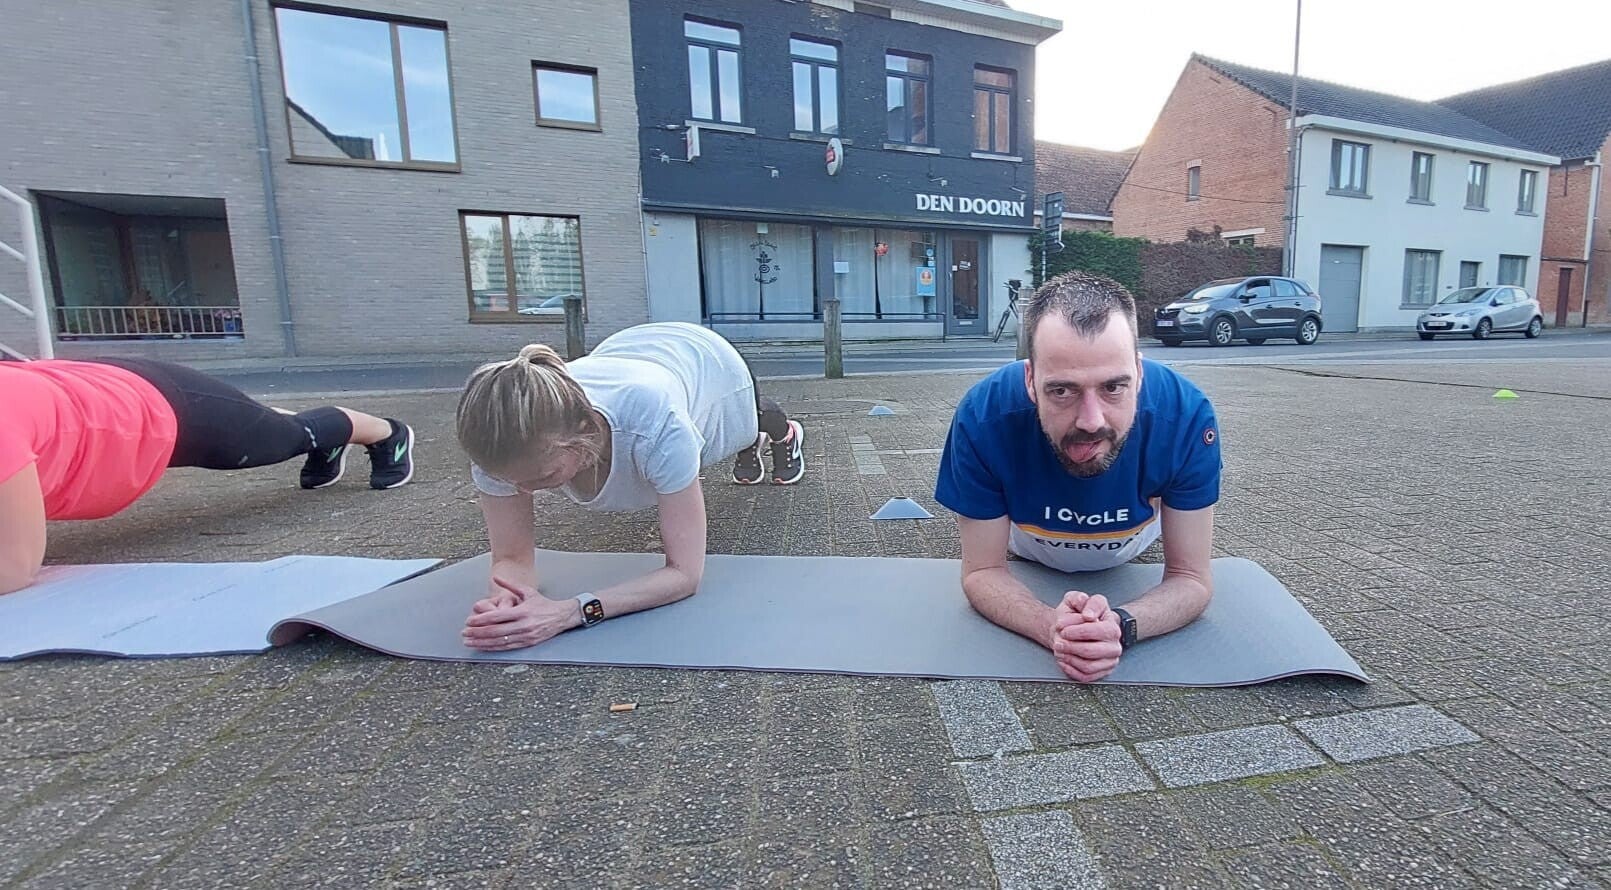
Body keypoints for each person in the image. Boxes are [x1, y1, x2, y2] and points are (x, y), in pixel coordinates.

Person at [935, 271, 1221, 683]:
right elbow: (982, 571)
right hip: (1025, 544)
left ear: (1139, 373)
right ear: (1030, 380)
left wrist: (1121, 626)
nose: (1091, 421)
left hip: (1134, 539)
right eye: (1062, 391)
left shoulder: (1187, 416)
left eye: (1113, 387)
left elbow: (1191, 578)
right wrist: (1049, 626)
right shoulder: (982, 416)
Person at [454, 321, 806, 652]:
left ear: (584, 433)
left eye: (541, 477)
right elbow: (512, 558)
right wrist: (507, 600)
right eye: (508, 481)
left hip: (711, 363)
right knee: (681, 454)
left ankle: (780, 434)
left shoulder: (658, 426)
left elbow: (684, 575)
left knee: (753, 421)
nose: (523, 492)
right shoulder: (498, 443)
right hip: (629, 353)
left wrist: (571, 613)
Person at [0, 357, 415, 595]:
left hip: (160, 401)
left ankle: (385, 432)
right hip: (98, 400)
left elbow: (15, 567)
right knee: (263, 427)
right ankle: (321, 437)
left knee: (279, 438)